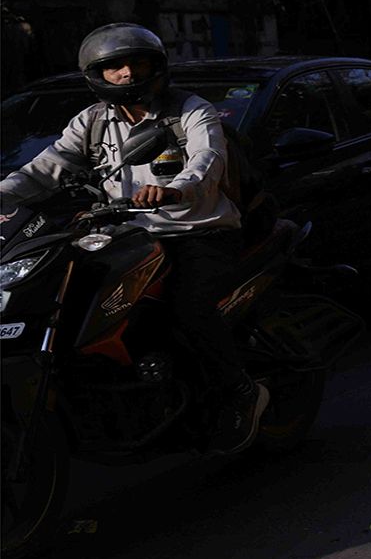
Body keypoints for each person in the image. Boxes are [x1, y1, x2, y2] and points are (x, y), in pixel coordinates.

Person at [0, 23, 267, 454]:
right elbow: (44, 169)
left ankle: (240, 390)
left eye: (135, 63)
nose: (126, 74)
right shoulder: (91, 121)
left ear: (155, 66)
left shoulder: (191, 111)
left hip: (197, 232)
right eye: (113, 68)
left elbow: (206, 160)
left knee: (188, 309)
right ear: (97, 76)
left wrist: (176, 188)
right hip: (126, 235)